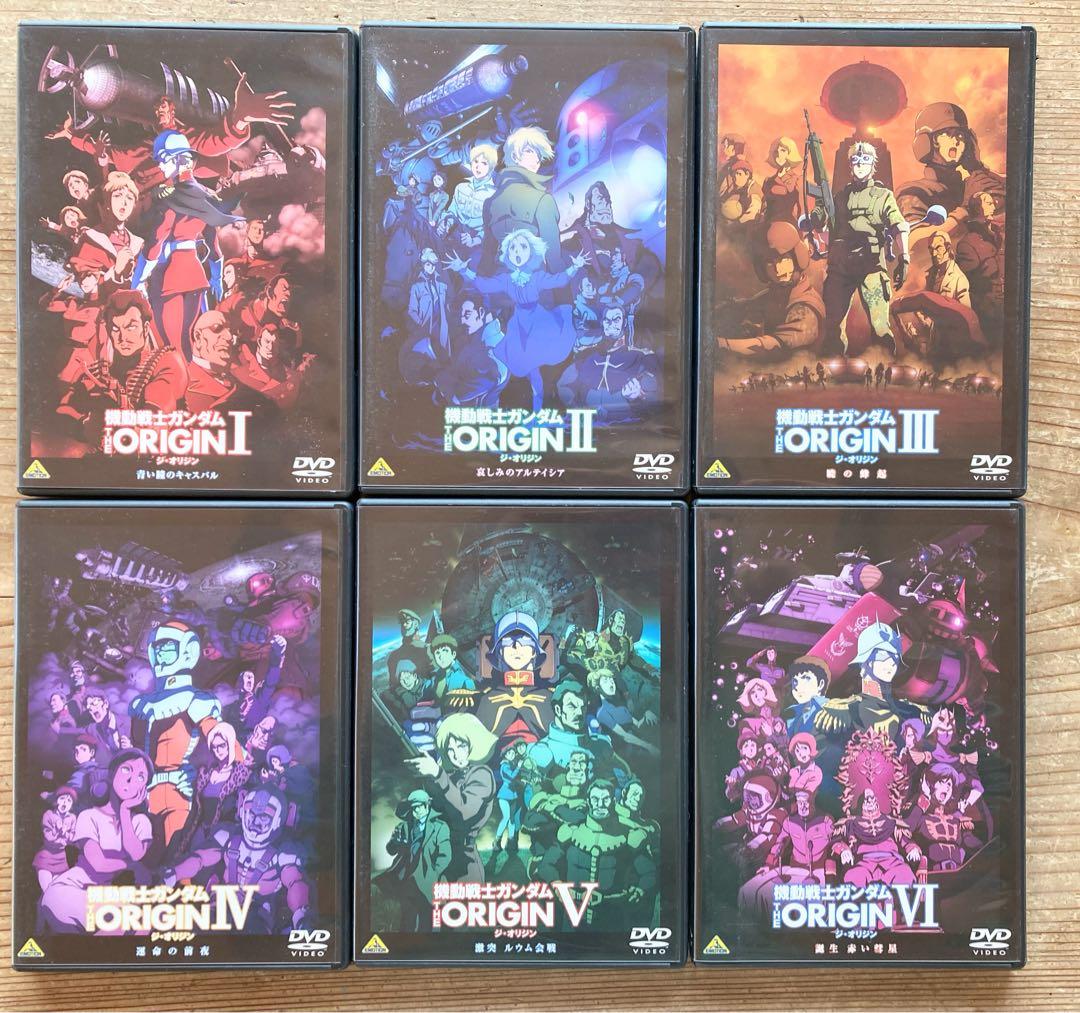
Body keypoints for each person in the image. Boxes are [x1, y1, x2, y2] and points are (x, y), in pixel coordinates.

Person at [40, 749, 154, 931]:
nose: (131, 779)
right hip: (74, 888)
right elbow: (99, 864)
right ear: (112, 773)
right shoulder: (89, 816)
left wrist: (125, 812)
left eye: (141, 777)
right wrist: (129, 866)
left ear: (144, 788)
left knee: (140, 924)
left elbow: (136, 854)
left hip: (113, 895)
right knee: (122, 921)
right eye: (126, 769)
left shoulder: (141, 822)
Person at [817, 142, 910, 357]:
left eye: (865, 159)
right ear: (850, 165)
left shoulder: (883, 195)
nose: (860, 164)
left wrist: (904, 257)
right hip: (841, 267)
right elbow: (825, 227)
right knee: (833, 327)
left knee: (880, 326)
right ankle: (833, 371)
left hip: (872, 265)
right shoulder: (840, 197)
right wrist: (818, 215)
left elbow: (899, 225)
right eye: (855, 160)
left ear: (873, 164)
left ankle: (883, 367)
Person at [404, 712, 497, 882]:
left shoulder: (482, 774)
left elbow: (464, 813)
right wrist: (425, 777)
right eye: (450, 749)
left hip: (464, 862)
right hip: (437, 854)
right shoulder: (450, 776)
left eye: (461, 746)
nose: (456, 755)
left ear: (474, 741)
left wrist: (437, 773)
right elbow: (435, 807)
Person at [380, 788, 451, 930]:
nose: (416, 810)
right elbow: (390, 850)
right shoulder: (404, 827)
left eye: (419, 806)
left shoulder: (440, 827)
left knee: (431, 923)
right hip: (407, 881)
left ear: (427, 806)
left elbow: (445, 855)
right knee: (408, 922)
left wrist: (433, 873)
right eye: (413, 807)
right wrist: (396, 842)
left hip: (431, 882)